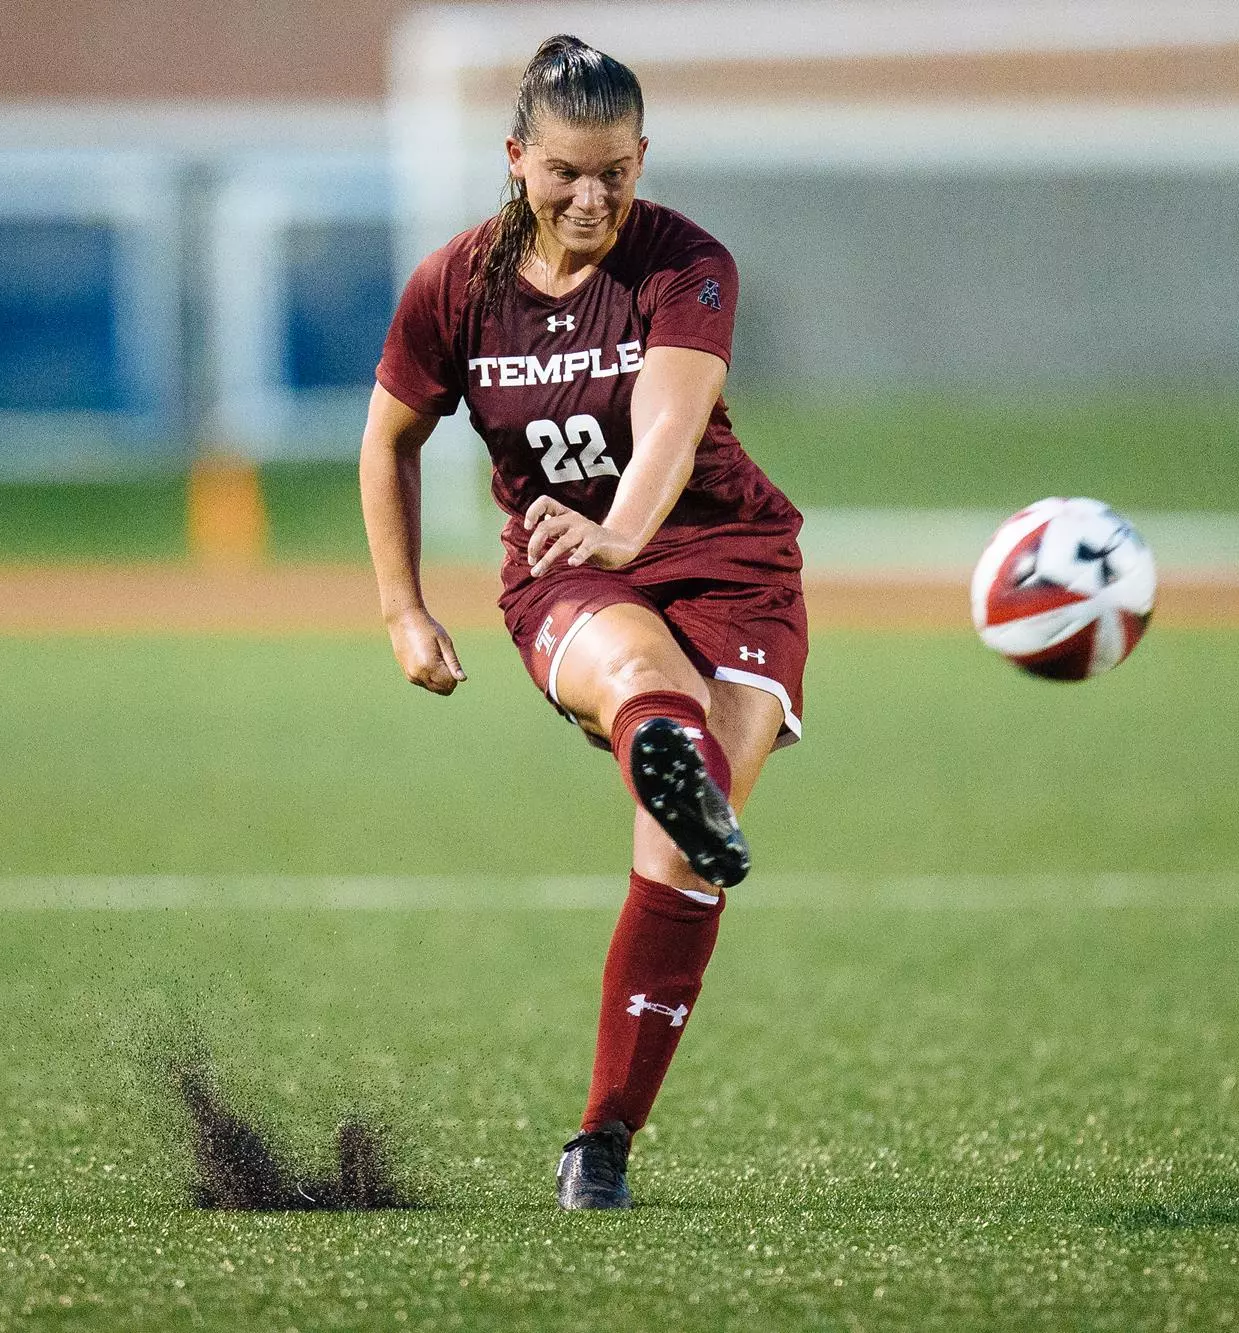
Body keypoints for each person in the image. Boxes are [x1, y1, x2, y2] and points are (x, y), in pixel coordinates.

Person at [360, 34, 806, 1211]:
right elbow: (389, 438)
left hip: (727, 559)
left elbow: (670, 423)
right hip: (566, 566)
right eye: (565, 172)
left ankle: (601, 1138)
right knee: (644, 683)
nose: (591, 198)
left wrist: (623, 526)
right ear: (516, 158)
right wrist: (404, 608)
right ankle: (662, 742)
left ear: (641, 158)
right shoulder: (455, 285)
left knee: (684, 850)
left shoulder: (686, 264)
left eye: (614, 172)